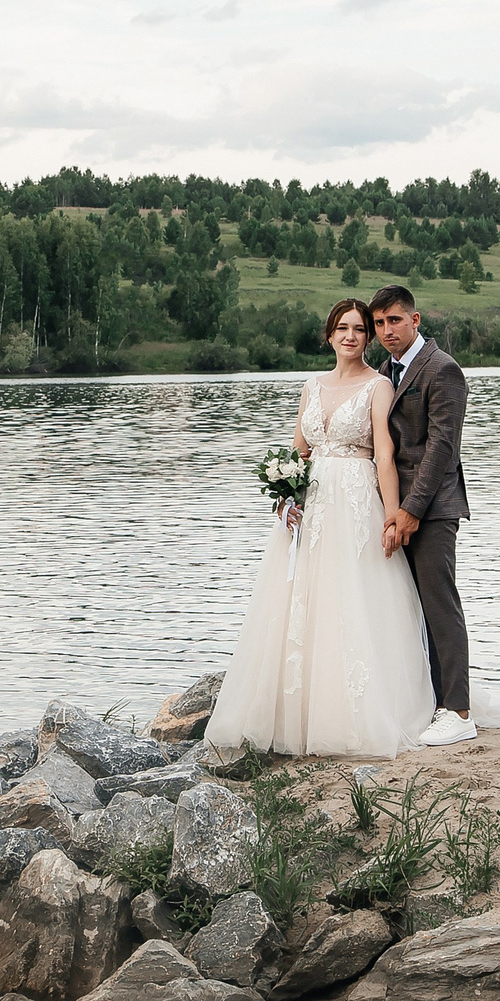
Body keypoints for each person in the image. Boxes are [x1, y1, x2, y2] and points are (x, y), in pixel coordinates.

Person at [204, 299, 438, 759]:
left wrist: (393, 517)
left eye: (358, 329)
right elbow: (299, 453)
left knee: (350, 601)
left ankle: (354, 715)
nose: (350, 336)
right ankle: (295, 714)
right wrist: (285, 497)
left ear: (367, 339)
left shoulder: (378, 387)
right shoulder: (311, 387)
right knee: (300, 603)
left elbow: (385, 457)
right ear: (328, 335)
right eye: (341, 328)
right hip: (309, 511)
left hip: (355, 502)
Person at [368, 284, 478, 748]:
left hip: (432, 509)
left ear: (416, 320)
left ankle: (458, 711)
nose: (387, 331)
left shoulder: (443, 369)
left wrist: (411, 511)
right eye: (379, 324)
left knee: (439, 604)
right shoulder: (382, 372)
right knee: (403, 609)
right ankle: (428, 702)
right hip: (392, 510)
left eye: (395, 320)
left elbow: (441, 449)